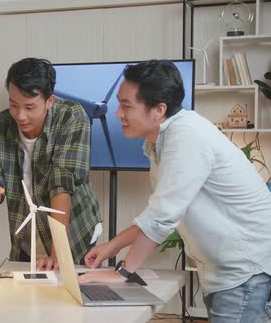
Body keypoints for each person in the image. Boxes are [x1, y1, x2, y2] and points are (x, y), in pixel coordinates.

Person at [80, 60, 271, 322]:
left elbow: (162, 215)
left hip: (244, 269)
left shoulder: (187, 135)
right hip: (228, 270)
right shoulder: (162, 139)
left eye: (126, 106)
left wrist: (122, 273)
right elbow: (159, 212)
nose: (117, 114)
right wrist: (112, 247)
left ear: (158, 109)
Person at [0, 57, 102, 270]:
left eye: (30, 107)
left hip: (73, 235)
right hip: (26, 239)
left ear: (50, 101)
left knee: (69, 298)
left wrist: (58, 252)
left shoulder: (72, 116)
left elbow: (61, 187)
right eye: (14, 105)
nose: (20, 116)